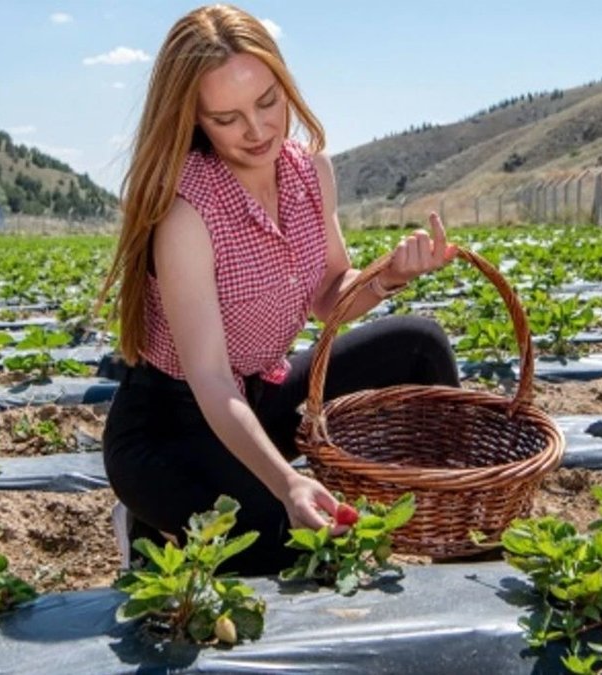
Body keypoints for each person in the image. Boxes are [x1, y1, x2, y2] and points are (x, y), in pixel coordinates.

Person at [99, 3, 461, 576]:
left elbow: (327, 293)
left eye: (268, 102)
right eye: (227, 118)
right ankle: (150, 522)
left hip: (259, 395)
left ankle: (453, 524)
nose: (258, 129)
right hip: (171, 427)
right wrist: (290, 483)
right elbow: (212, 380)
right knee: (301, 547)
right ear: (193, 118)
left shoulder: (309, 170)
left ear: (284, 83)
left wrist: (389, 276)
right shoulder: (186, 213)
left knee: (420, 344)